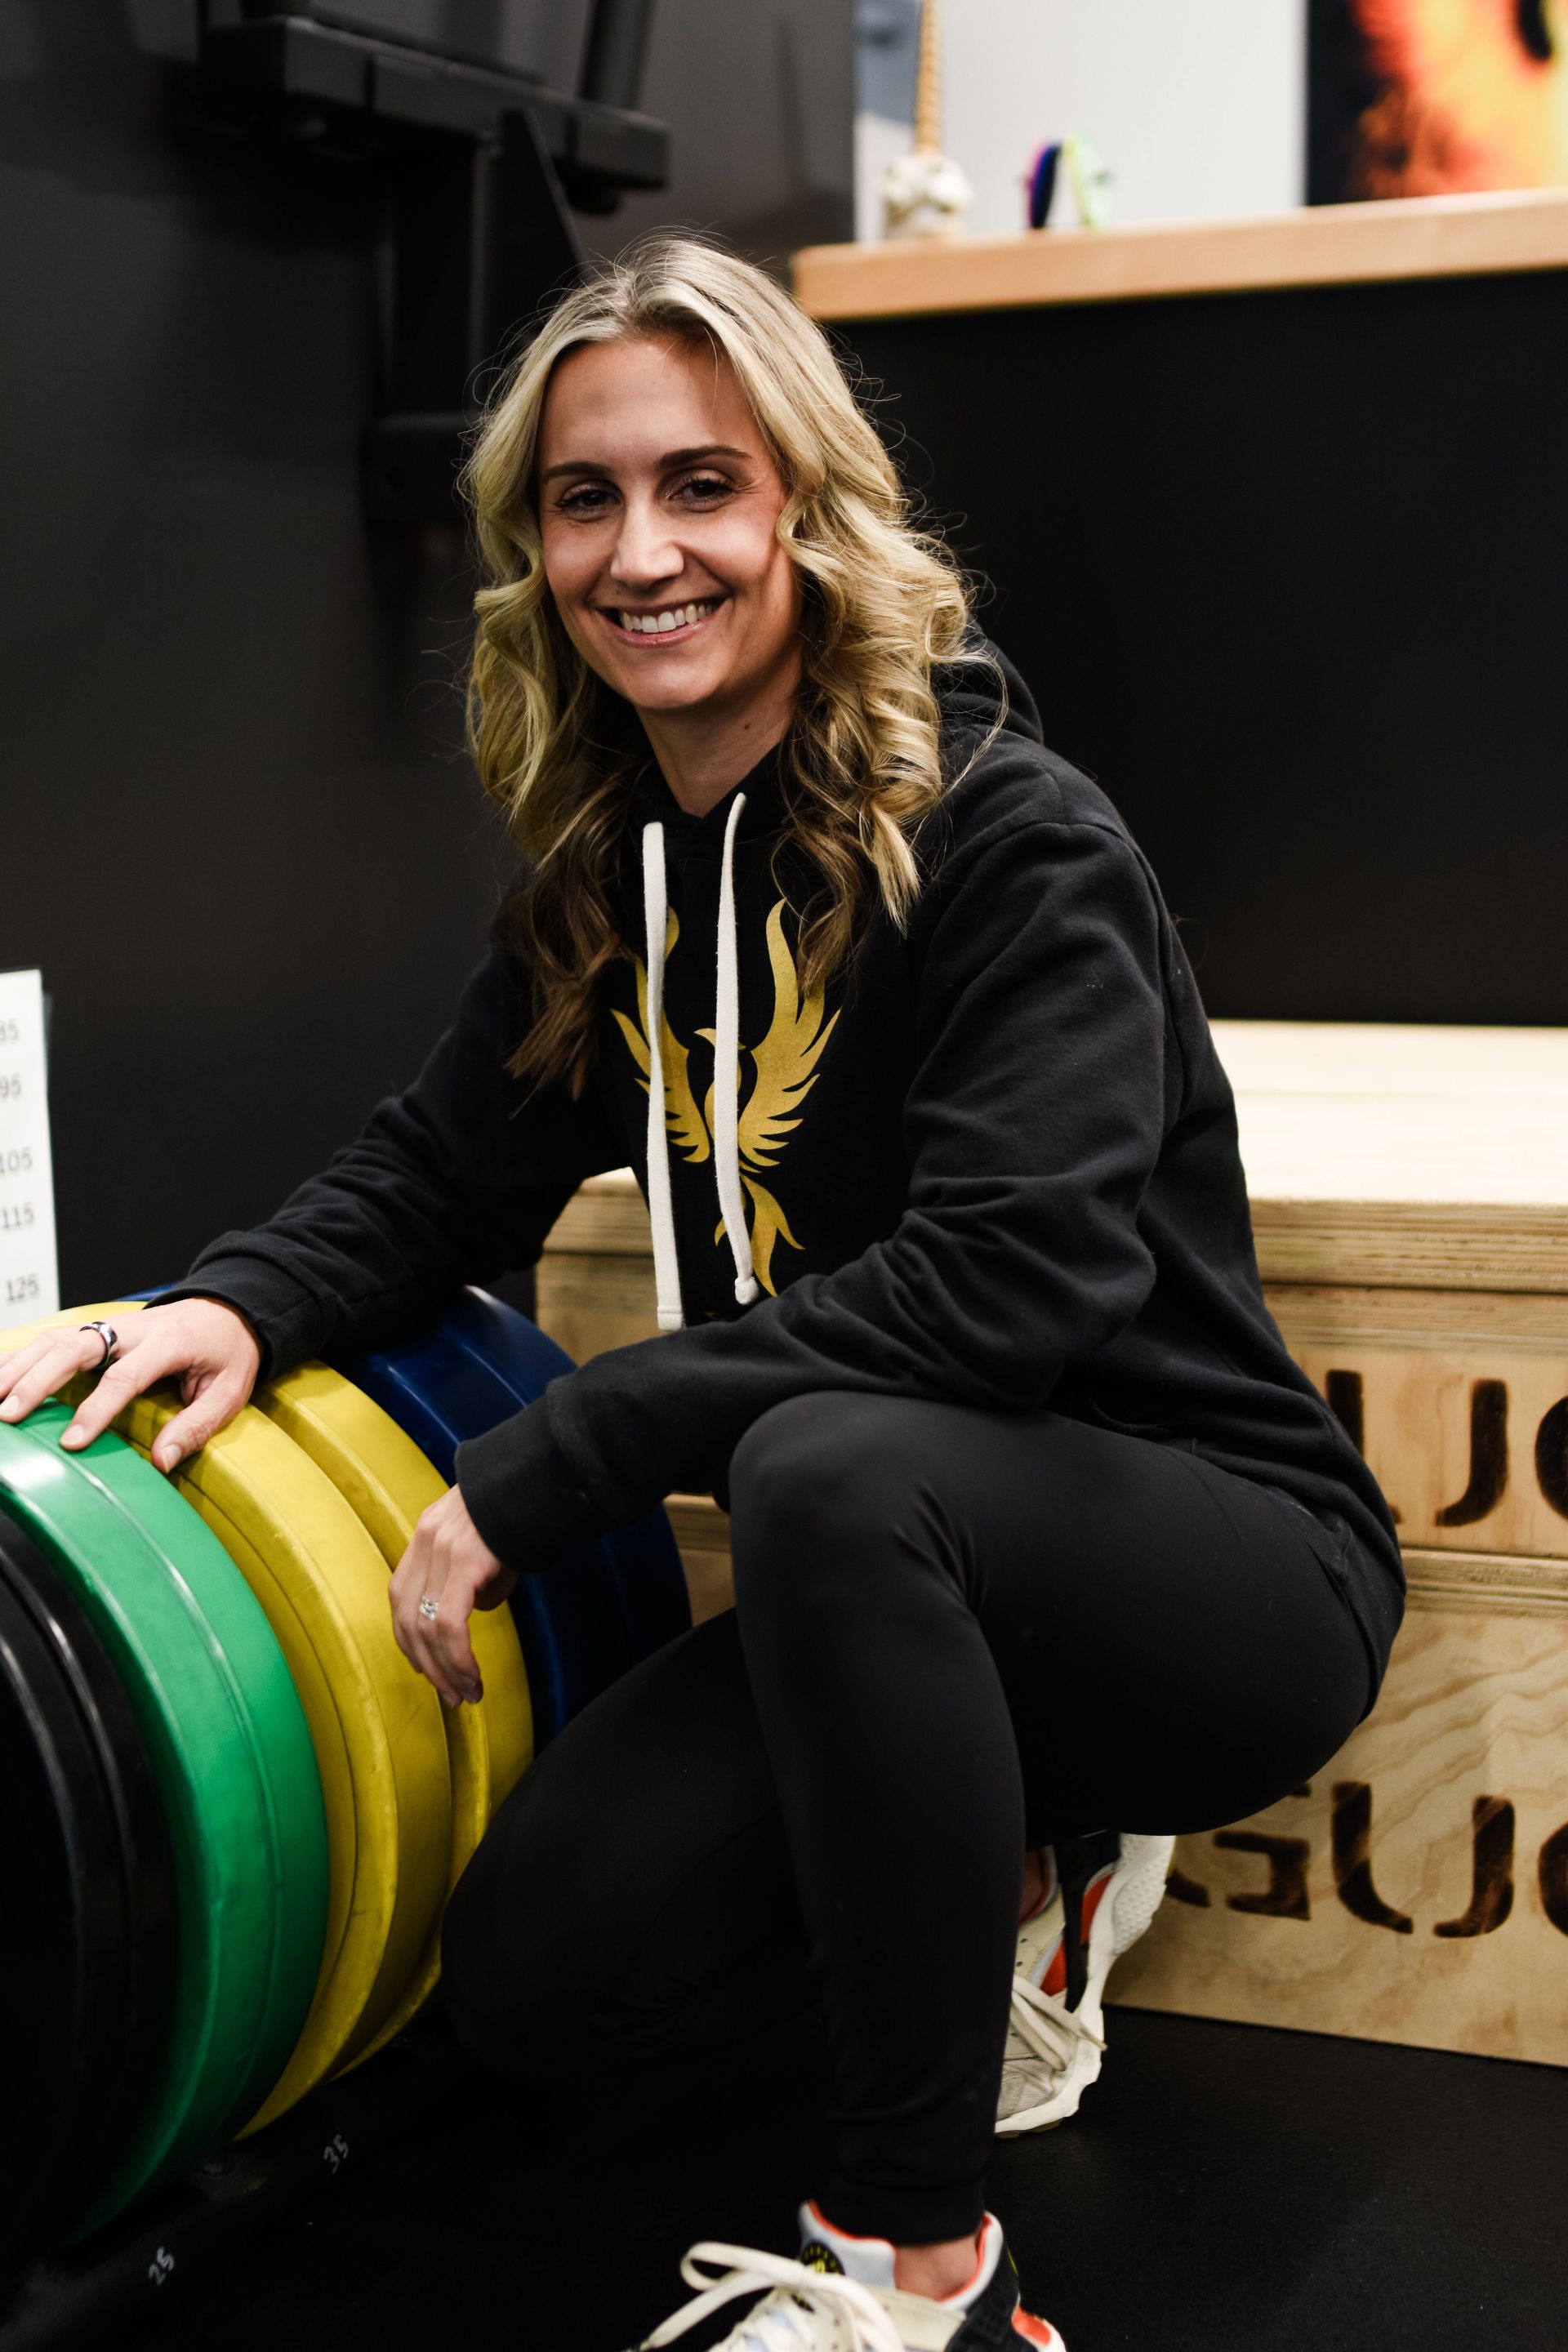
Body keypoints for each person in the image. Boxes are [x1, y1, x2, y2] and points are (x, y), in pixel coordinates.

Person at [0, 235, 1402, 2351]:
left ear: (807, 513)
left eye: (702, 485)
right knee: (548, 1976)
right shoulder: (615, 882)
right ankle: (1019, 1865)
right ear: (536, 548)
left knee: (829, 1468)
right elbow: (439, 1167)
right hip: (894, 1588)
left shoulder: (1008, 838)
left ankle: (927, 2272)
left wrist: (561, 1452)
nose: (641, 551)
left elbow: (1007, 1291)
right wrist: (239, 1306)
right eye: (587, 498)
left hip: (1211, 1569)